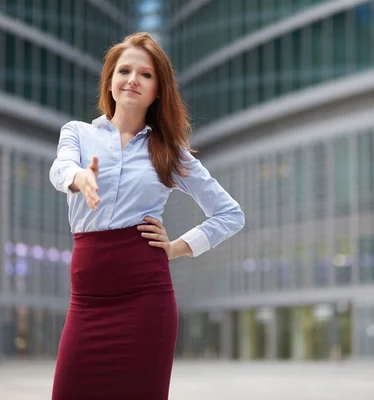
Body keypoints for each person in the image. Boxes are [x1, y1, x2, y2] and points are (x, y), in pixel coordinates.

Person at [49, 32, 245, 400]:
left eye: (146, 74)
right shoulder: (77, 134)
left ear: (158, 90)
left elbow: (230, 214)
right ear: (110, 81)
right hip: (87, 303)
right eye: (124, 70)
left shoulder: (171, 152)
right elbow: (59, 169)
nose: (133, 79)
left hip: (146, 301)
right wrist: (80, 177)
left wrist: (175, 247)